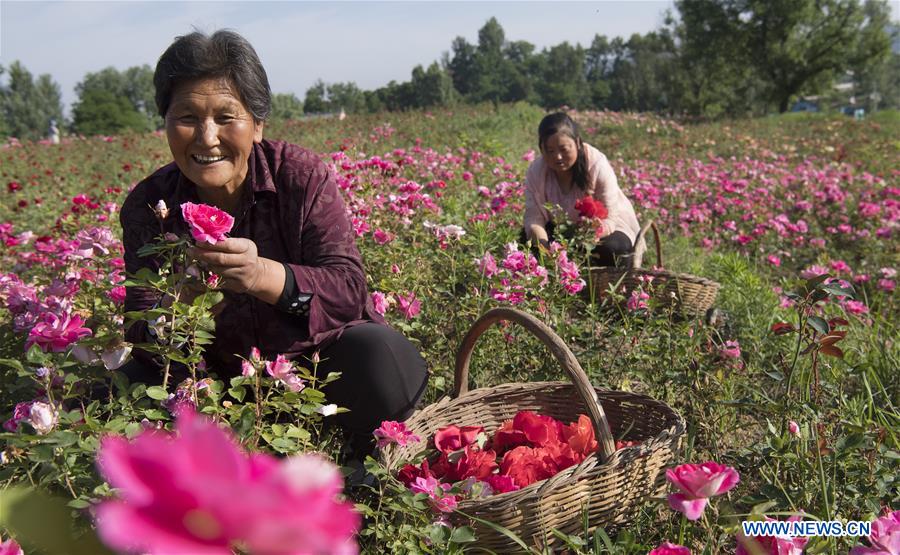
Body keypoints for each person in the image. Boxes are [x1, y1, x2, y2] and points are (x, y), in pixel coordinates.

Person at [119, 30, 428, 455]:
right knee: (122, 385)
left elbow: (348, 290)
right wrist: (179, 306)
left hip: (313, 367)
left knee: (383, 358)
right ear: (166, 122)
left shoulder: (299, 178)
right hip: (209, 378)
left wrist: (261, 275)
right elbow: (138, 326)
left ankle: (361, 458)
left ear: (258, 124)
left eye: (226, 117)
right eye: (187, 117)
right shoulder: (150, 206)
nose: (206, 137)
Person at [522, 112, 642, 267]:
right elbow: (534, 219)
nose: (557, 157)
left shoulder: (596, 164)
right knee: (527, 243)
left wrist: (591, 234)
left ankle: (609, 285)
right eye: (550, 151)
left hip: (606, 229)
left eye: (564, 149)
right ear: (541, 149)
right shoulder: (537, 171)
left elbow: (611, 218)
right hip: (561, 230)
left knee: (613, 248)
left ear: (577, 143)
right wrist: (547, 251)